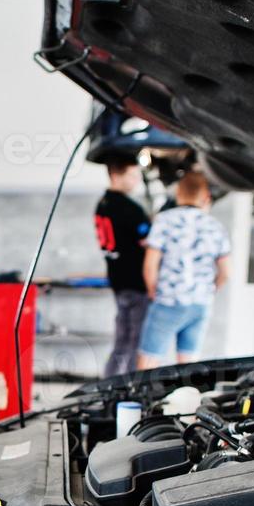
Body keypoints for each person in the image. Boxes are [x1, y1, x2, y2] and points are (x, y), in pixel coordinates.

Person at [137, 171, 231, 369]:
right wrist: (209, 289)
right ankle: (186, 398)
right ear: (206, 198)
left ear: (178, 195)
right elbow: (225, 272)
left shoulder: (164, 220)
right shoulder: (215, 226)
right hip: (200, 303)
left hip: (169, 300)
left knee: (148, 361)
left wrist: (153, 291)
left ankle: (144, 400)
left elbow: (150, 265)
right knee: (188, 364)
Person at [95, 160, 152, 376]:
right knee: (136, 341)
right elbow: (148, 241)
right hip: (137, 282)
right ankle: (130, 390)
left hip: (118, 281)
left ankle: (109, 385)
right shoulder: (130, 208)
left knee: (122, 340)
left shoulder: (102, 204)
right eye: (132, 175)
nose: (136, 180)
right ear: (116, 175)